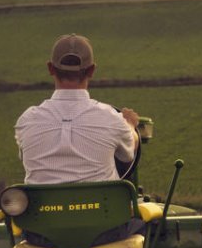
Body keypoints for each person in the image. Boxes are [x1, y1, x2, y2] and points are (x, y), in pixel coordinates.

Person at [15, 33, 142, 184]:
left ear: (51, 68)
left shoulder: (27, 120)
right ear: (92, 70)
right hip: (99, 200)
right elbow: (129, 152)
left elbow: (24, 155)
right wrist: (130, 125)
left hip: (40, 201)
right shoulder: (112, 119)